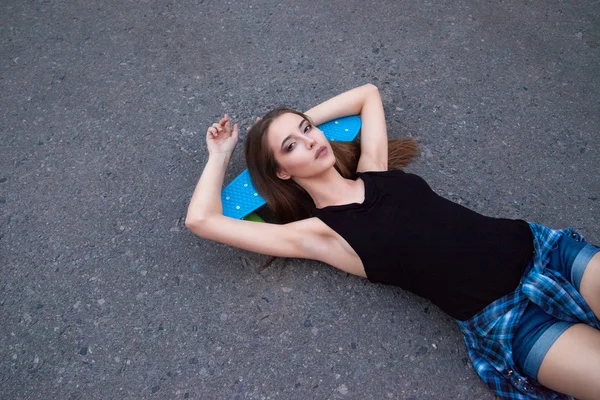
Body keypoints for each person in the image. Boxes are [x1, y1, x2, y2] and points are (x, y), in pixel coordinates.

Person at [185, 84, 600, 399]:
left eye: (308, 129)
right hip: (511, 323)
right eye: (292, 145)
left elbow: (367, 94)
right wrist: (223, 153)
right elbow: (201, 220)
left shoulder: (375, 170)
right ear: (281, 172)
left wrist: (284, 123)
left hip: (546, 253)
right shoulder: (318, 235)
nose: (311, 140)